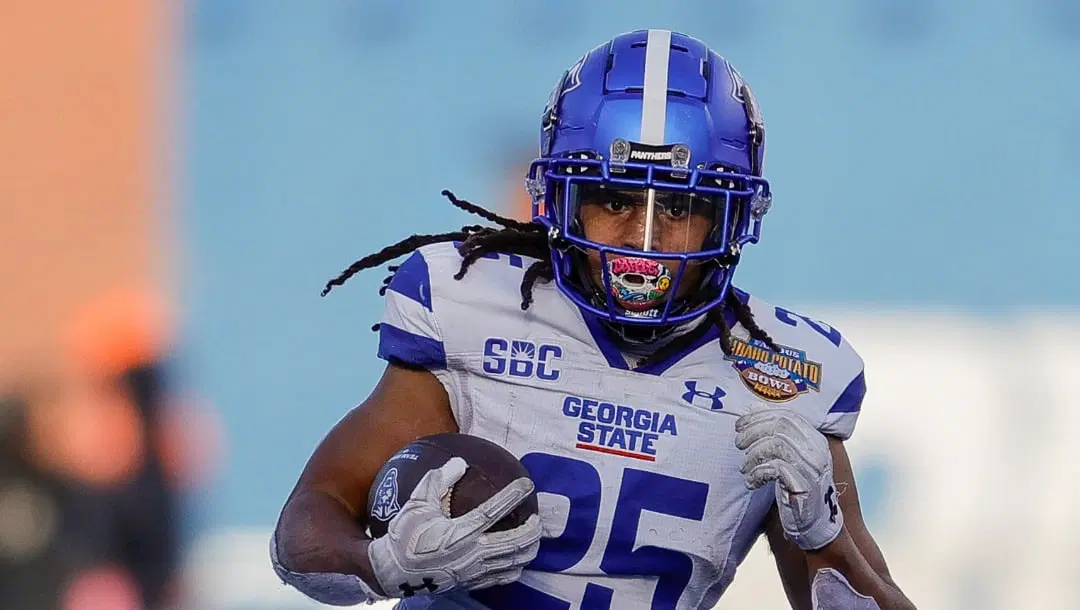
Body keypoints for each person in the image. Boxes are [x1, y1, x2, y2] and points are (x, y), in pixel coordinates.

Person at [271, 29, 917, 610]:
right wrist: (381, 562)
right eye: (613, 198)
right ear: (561, 199)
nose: (642, 240)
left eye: (680, 207)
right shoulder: (472, 311)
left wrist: (824, 532)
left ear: (733, 220)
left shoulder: (781, 376)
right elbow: (308, 523)